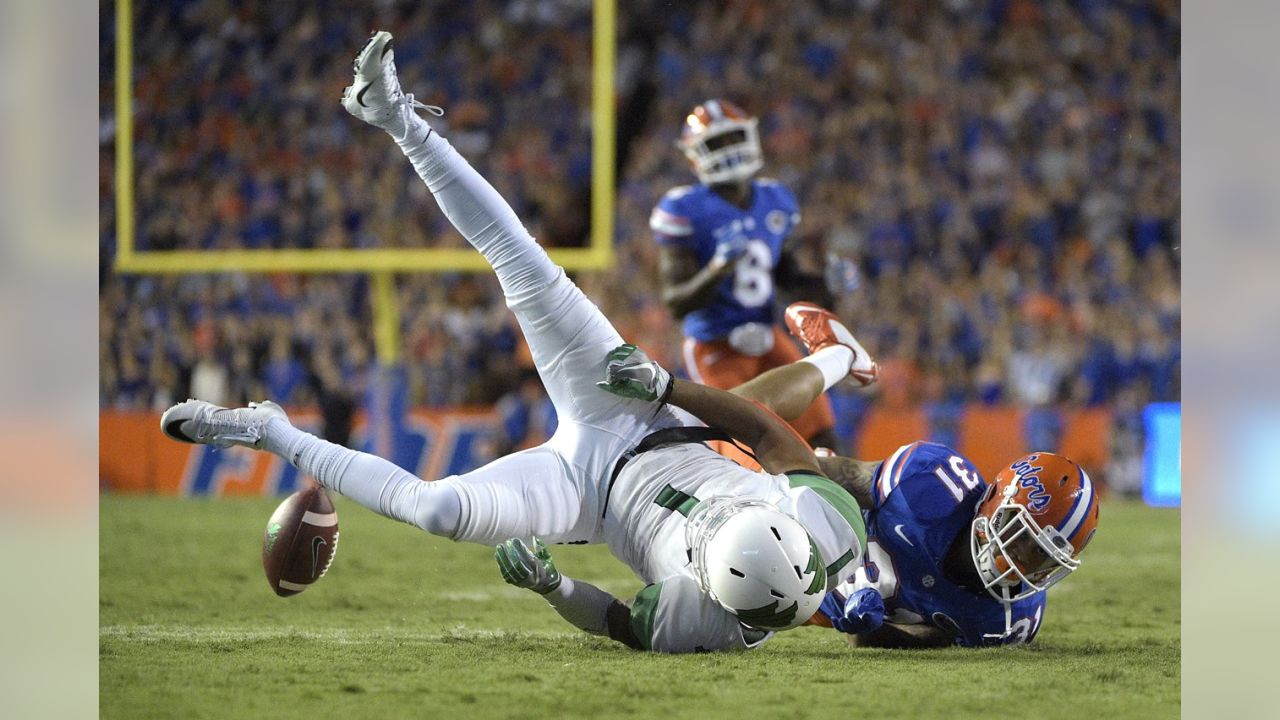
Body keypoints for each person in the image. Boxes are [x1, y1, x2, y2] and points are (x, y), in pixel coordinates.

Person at [160, 31, 876, 653]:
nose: (728, 516)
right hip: (660, 423)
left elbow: (620, 625)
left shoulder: (702, 625)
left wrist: (555, 585)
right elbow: (757, 425)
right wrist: (663, 389)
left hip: (588, 493)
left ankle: (269, 430)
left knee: (438, 509)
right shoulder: (825, 524)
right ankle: (397, 117)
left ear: (720, 593)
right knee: (525, 262)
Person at [758, 303, 1103, 647]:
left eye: (1042, 560)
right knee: (735, 421)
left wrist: (871, 628)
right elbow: (839, 473)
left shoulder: (1010, 619)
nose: (1022, 563)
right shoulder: (933, 485)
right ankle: (835, 356)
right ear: (996, 504)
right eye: (1022, 540)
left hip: (803, 595)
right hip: (803, 511)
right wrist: (762, 478)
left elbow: (907, 640)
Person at [651, 100, 873, 451]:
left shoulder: (774, 198)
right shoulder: (683, 209)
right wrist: (715, 270)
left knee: (823, 437)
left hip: (769, 337)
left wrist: (825, 285)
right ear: (695, 155)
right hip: (715, 345)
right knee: (745, 445)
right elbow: (677, 303)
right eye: (715, 143)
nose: (728, 150)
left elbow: (785, 276)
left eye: (733, 137)